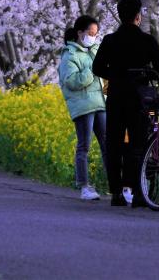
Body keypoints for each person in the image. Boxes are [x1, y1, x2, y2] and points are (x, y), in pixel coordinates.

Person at [89, 0, 159, 207]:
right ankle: (135, 191)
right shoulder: (147, 40)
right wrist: (146, 73)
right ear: (138, 16)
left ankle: (116, 193)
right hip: (139, 99)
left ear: (120, 15)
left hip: (115, 98)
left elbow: (96, 68)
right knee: (138, 144)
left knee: (114, 144)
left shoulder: (109, 40)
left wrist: (115, 75)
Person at [58, 14, 106, 201]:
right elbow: (70, 81)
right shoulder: (69, 55)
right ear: (80, 33)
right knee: (84, 146)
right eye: (90, 33)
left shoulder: (93, 50)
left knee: (107, 144)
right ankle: (84, 186)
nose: (93, 37)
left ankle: (116, 185)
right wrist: (91, 71)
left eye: (95, 34)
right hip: (83, 106)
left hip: (100, 103)